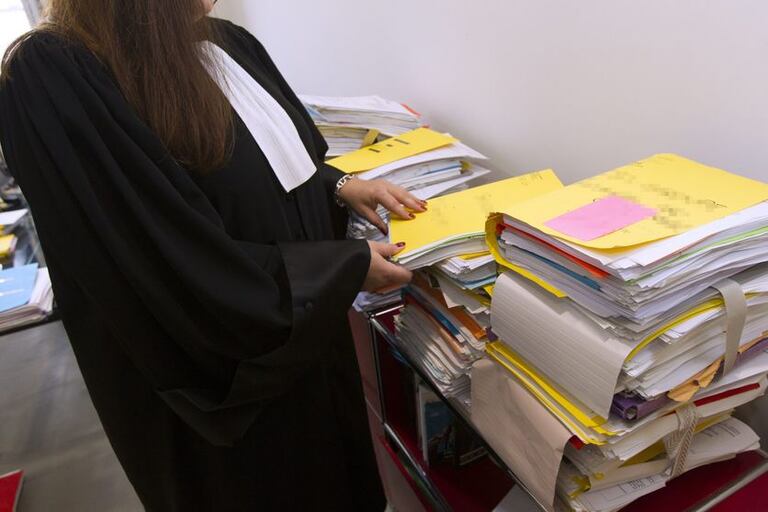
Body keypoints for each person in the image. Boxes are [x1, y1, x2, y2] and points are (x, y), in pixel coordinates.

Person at [0, 0, 424, 510]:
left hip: (309, 343)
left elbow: (267, 176)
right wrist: (345, 269)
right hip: (224, 387)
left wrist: (339, 186)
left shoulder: (228, 42)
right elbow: (167, 260)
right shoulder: (51, 72)